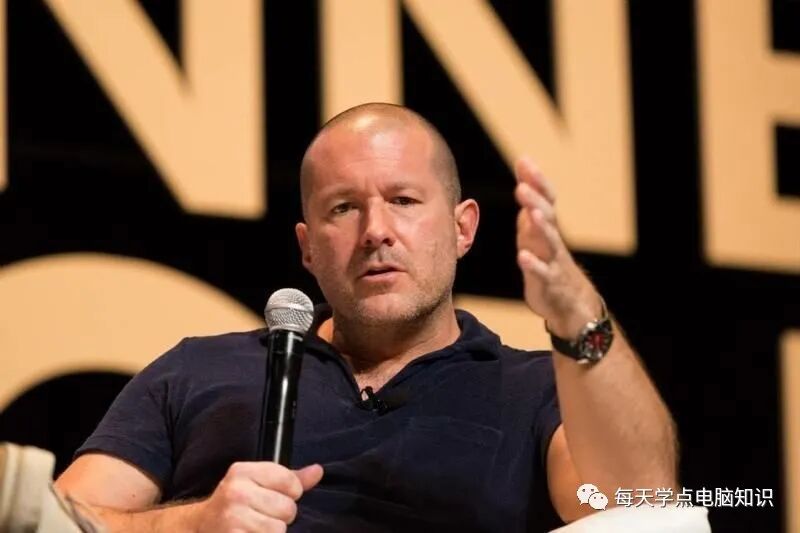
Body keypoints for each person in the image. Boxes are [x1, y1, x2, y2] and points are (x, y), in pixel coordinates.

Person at [54, 103, 677, 532]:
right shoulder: (200, 369)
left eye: (403, 200)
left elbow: (642, 506)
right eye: (344, 208)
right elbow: (49, 520)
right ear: (307, 247)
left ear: (463, 228)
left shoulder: (538, 390)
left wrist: (578, 313)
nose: (376, 230)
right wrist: (192, 524)